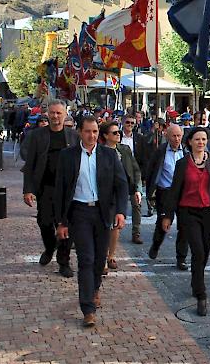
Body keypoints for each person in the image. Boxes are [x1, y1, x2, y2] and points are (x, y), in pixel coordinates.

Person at [53, 116, 129, 327]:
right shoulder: (68, 156)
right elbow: (60, 189)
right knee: (86, 259)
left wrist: (121, 211)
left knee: (98, 261)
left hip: (102, 212)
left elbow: (121, 184)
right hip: (79, 212)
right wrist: (61, 221)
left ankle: (94, 288)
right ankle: (87, 308)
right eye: (88, 131)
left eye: (95, 131)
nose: (92, 136)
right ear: (79, 132)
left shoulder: (108, 155)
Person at [162, 127, 210, 316]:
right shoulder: (183, 163)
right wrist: (167, 215)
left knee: (204, 251)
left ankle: (195, 278)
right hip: (188, 212)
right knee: (198, 250)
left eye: (204, 139)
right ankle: (201, 294)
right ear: (189, 142)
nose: (201, 142)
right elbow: (174, 190)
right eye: (197, 139)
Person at [22, 100, 78, 278]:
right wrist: (28, 189)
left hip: (68, 189)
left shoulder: (73, 136)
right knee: (44, 222)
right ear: (47, 114)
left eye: (59, 113)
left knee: (66, 225)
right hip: (45, 187)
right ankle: (49, 247)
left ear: (64, 115)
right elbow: (29, 164)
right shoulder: (37, 135)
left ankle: (64, 262)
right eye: (52, 113)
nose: (55, 116)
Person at [146, 124, 189, 270]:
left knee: (184, 225)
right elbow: (151, 170)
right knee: (163, 223)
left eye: (179, 136)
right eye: (174, 136)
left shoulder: (186, 151)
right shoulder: (160, 151)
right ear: (167, 136)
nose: (177, 139)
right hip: (165, 192)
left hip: (183, 192)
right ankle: (156, 245)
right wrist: (150, 192)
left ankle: (181, 258)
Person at [100, 121, 141, 272]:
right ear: (105, 135)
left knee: (116, 225)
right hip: (105, 192)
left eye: (119, 133)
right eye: (115, 133)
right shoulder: (100, 151)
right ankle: (103, 257)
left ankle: (111, 255)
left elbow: (135, 169)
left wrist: (137, 189)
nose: (118, 135)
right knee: (105, 225)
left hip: (122, 190)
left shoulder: (125, 150)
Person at [120, 113, 146, 244]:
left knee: (137, 204)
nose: (130, 125)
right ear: (123, 123)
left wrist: (141, 174)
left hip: (135, 175)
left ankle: (136, 232)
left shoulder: (139, 138)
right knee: (119, 205)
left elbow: (143, 157)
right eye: (128, 123)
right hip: (120, 174)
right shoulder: (117, 136)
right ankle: (115, 232)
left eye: (132, 123)